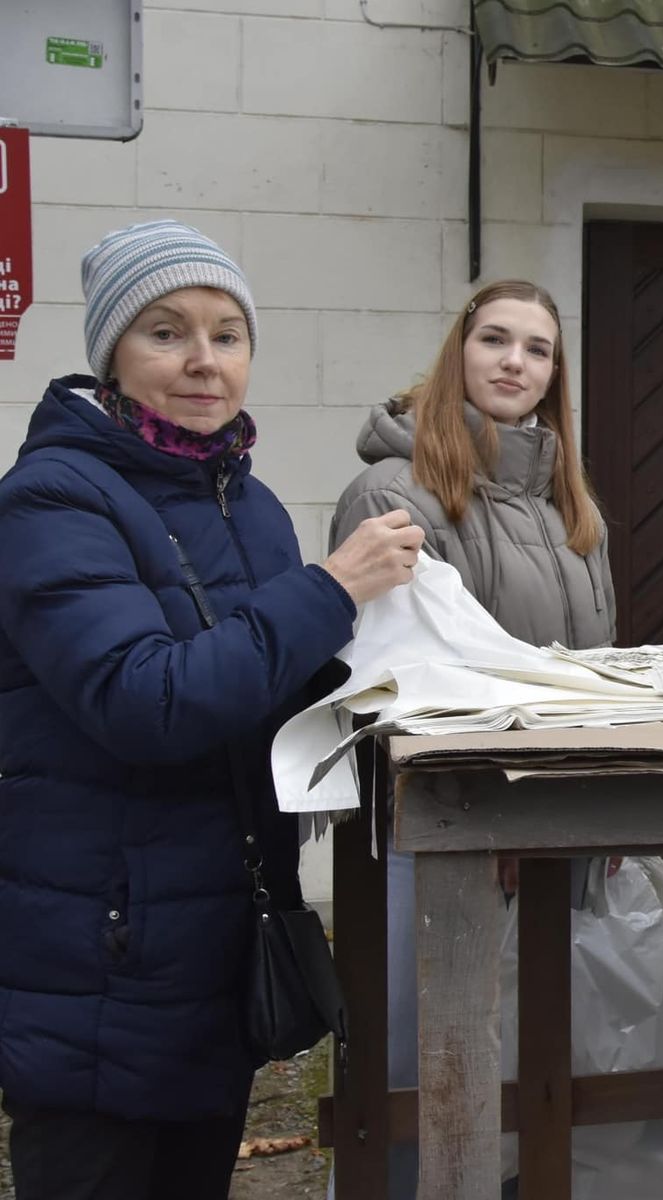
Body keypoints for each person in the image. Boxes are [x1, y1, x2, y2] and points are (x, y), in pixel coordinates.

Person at [0, 220, 422, 1200]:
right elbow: (144, 700)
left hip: (214, 963)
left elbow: (267, 693)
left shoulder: (252, 505)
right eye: (165, 331)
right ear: (111, 352)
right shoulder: (52, 503)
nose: (203, 361)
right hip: (93, 972)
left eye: (227, 334)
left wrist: (395, 684)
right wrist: (328, 592)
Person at [332, 278, 616, 1199]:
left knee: (530, 1056)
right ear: (458, 350)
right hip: (449, 823)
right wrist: (502, 806)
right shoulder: (394, 487)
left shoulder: (572, 506)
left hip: (555, 824)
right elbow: (412, 676)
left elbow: (593, 669)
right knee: (424, 1063)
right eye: (495, 340)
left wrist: (594, 800)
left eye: (537, 350)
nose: (514, 363)